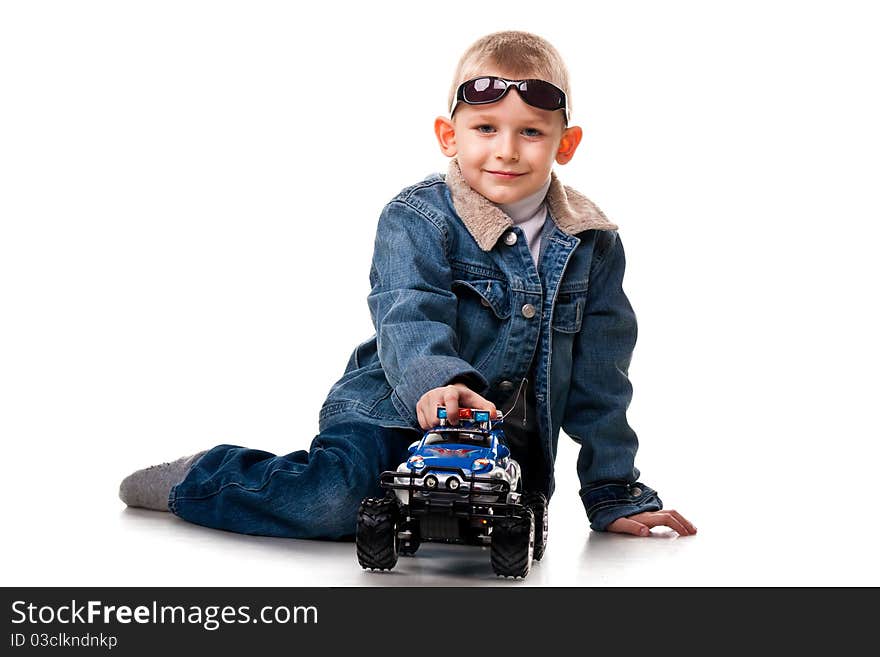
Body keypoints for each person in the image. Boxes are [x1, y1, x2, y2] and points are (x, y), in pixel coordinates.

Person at [119, 30, 696, 541]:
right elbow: (406, 312)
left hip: (499, 443)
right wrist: (438, 382)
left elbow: (602, 378)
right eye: (485, 128)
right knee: (336, 500)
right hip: (391, 410)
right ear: (449, 135)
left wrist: (612, 491)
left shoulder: (591, 244)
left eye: (531, 132)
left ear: (563, 144)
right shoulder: (418, 218)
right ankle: (205, 476)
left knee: (497, 518)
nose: (506, 149)